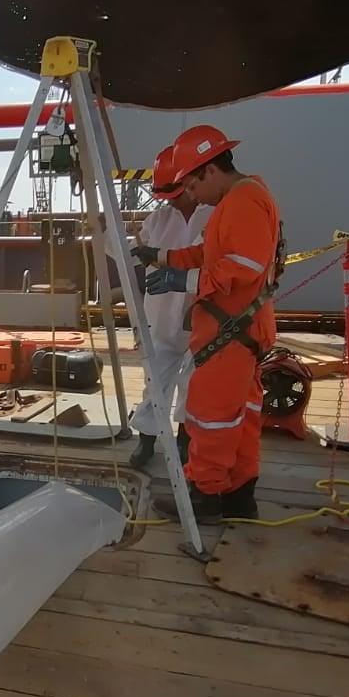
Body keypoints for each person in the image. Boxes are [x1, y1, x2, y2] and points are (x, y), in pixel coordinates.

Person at [131, 125, 284, 523]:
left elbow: (242, 267)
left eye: (192, 187)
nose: (193, 197)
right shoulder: (242, 198)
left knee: (209, 415)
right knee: (242, 413)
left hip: (231, 331)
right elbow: (211, 251)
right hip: (242, 330)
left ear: (209, 171)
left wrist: (184, 281)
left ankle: (204, 497)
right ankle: (238, 493)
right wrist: (164, 256)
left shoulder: (244, 201)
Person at [110, 144, 211, 469]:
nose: (170, 200)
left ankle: (184, 441)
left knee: (196, 383)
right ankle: (147, 440)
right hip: (162, 313)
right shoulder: (158, 219)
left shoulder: (215, 214)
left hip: (203, 313)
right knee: (156, 379)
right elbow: (134, 255)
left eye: (175, 192)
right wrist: (107, 234)